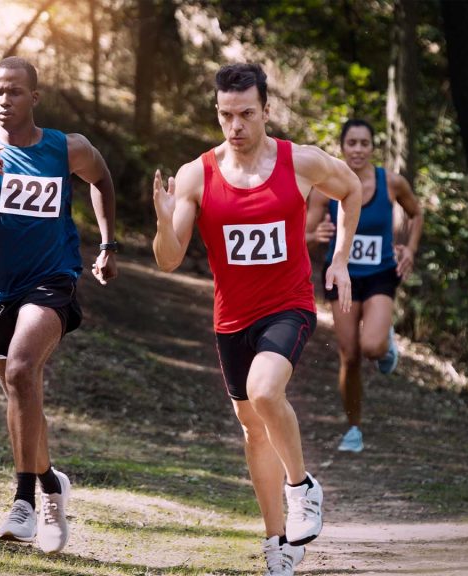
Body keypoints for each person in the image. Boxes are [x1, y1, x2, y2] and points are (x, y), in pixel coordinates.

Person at [152, 63, 361, 576]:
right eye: (226, 115)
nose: (236, 126)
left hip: (288, 306)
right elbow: (169, 259)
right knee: (253, 431)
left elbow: (352, 188)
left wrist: (339, 260)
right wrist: (163, 218)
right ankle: (277, 543)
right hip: (232, 320)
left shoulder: (301, 162)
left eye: (246, 114)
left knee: (265, 392)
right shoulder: (198, 174)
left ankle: (302, 488)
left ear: (266, 110)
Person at [0, 56, 118, 553]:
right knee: (22, 393)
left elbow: (101, 178)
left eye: (14, 92)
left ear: (34, 97)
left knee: (20, 370)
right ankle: (52, 484)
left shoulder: (66, 148)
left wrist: (107, 244)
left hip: (51, 281)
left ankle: (24, 502)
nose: (4, 100)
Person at [305, 118, 424, 453]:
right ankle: (354, 428)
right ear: (342, 147)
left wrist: (410, 249)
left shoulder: (391, 183)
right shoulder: (325, 188)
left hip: (380, 274)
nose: (357, 150)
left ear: (373, 147)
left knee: (371, 347)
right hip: (341, 275)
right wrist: (315, 235)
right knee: (350, 355)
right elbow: (303, 236)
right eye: (351, 143)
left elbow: (416, 214)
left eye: (364, 143)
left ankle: (384, 340)